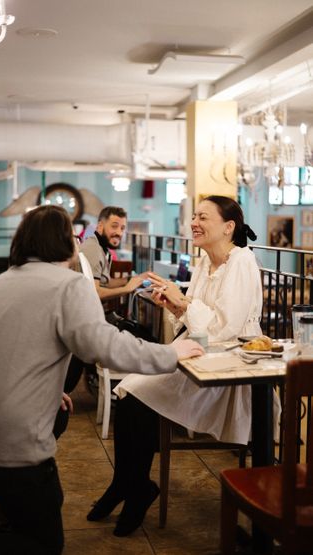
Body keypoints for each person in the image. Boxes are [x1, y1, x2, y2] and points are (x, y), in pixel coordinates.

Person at [0, 205, 204, 555]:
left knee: (60, 414)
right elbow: (105, 347)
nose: (78, 240)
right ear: (61, 242)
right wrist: (172, 353)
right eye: (73, 234)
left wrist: (50, 392)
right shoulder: (69, 285)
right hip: (1, 434)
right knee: (43, 543)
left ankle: (5, 512)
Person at [87, 195, 269, 537]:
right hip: (197, 358)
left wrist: (182, 301)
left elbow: (225, 330)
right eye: (194, 216)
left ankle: (133, 488)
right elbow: (195, 323)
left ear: (228, 227)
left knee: (138, 397)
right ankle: (127, 484)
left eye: (202, 217)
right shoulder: (203, 262)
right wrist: (174, 306)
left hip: (227, 370)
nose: (194, 223)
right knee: (128, 391)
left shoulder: (242, 261)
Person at [80, 206, 147, 301]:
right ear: (100, 227)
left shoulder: (101, 248)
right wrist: (126, 289)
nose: (119, 233)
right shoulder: (93, 249)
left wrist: (129, 280)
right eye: (114, 226)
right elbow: (94, 292)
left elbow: (104, 283)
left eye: (122, 228)